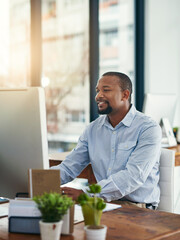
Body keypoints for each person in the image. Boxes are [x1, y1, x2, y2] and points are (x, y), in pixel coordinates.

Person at [51, 72, 162, 209]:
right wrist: (40, 180)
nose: (98, 96)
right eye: (98, 91)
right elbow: (69, 167)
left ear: (125, 95)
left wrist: (87, 194)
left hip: (137, 207)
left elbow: (133, 176)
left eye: (106, 90)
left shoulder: (148, 128)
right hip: (103, 203)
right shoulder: (92, 129)